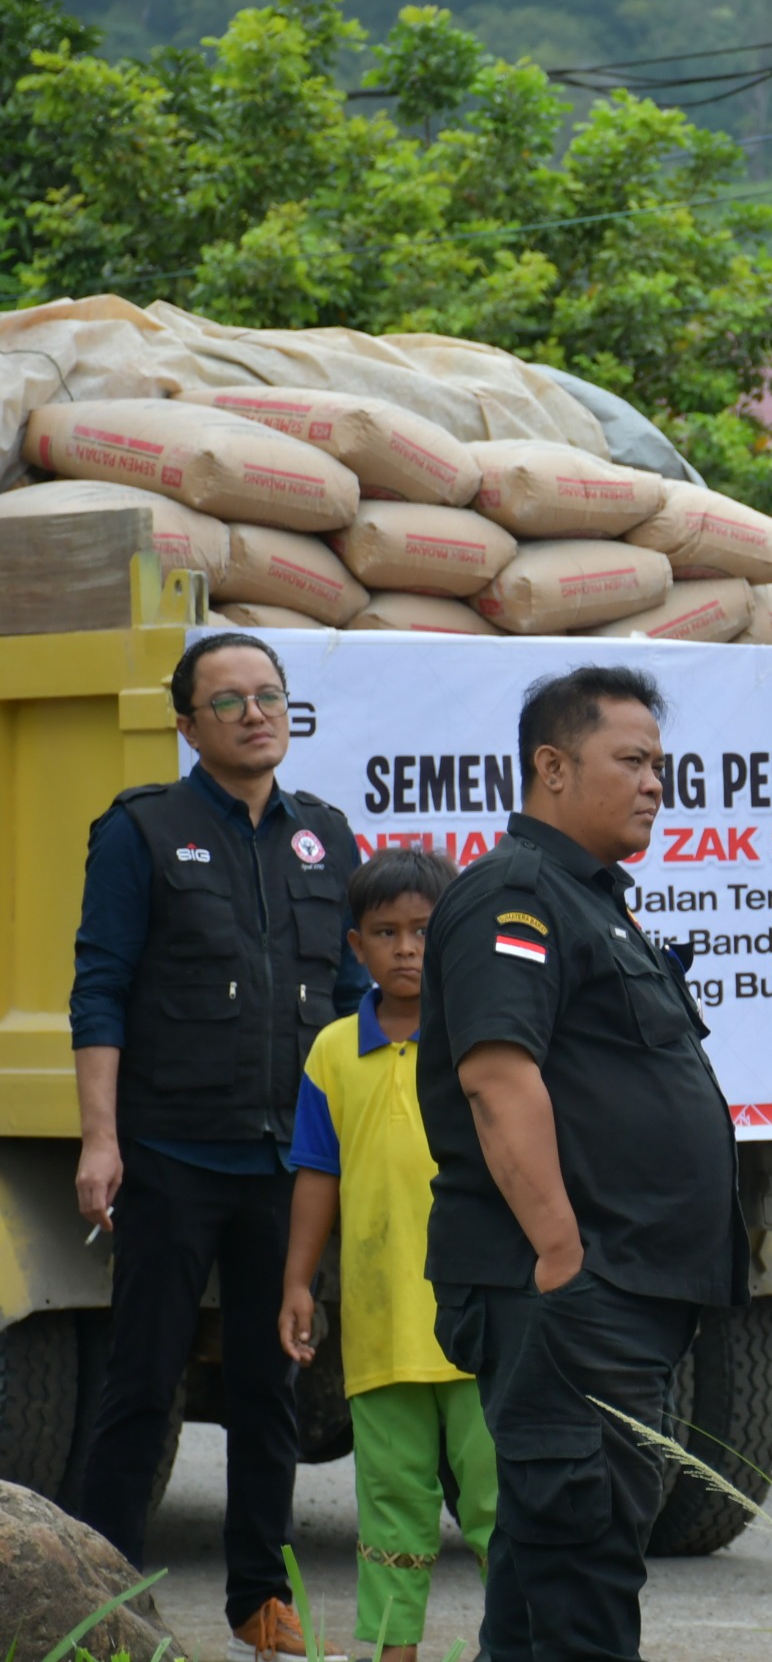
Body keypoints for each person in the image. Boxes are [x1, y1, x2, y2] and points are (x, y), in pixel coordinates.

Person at [418, 666, 746, 1662]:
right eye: (631, 760)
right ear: (553, 767)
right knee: (584, 1570)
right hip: (568, 1294)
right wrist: (563, 1256)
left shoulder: (588, 898)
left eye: (660, 764)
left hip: (610, 1294)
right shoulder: (515, 895)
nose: (654, 783)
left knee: (547, 1578)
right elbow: (497, 1077)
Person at [69, 630, 363, 1661]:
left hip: (286, 1164)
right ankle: (99, 1598)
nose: (254, 714)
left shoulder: (324, 835)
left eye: (268, 695)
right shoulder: (142, 831)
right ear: (188, 725)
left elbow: (355, 999)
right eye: (229, 700)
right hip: (173, 1154)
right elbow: (101, 985)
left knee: (269, 1387)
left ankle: (260, 1601)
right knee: (142, 1383)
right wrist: (100, 1139)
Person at [279, 848, 498, 1662]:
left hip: (482, 1319)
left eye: (424, 930)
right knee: (391, 1507)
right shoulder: (334, 1052)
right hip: (381, 1326)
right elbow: (317, 1174)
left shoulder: (483, 1035)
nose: (406, 948)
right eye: (385, 932)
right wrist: (298, 1282)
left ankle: (521, 1643)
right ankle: (391, 1651)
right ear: (355, 945)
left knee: (499, 1504)